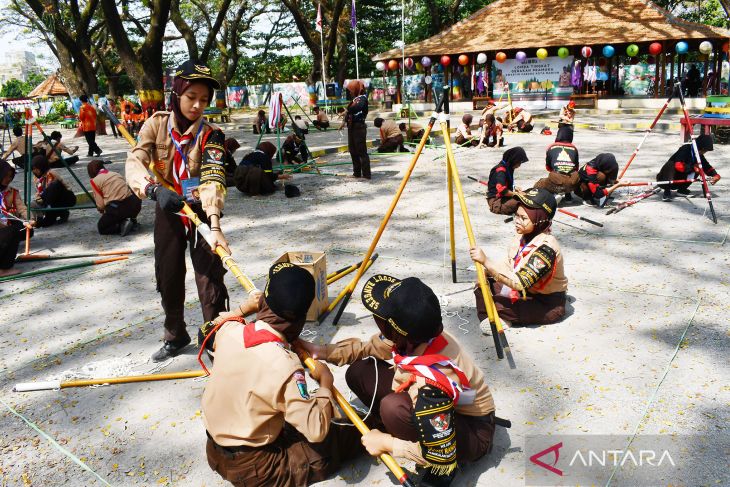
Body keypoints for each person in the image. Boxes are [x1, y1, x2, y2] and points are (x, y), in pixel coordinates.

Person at [298, 274, 499, 486]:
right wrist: (323, 351)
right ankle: (399, 427)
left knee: (392, 408)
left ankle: (442, 471)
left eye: (380, 318)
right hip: (444, 405)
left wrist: (388, 444)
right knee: (359, 372)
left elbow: (442, 452)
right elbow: (369, 347)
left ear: (395, 330)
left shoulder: (430, 387)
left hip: (473, 430)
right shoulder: (418, 334)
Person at [202, 263, 366, 487]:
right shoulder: (285, 365)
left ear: (263, 303)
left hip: (214, 451)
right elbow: (316, 430)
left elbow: (210, 328)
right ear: (299, 321)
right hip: (257, 469)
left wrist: (243, 309)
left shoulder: (228, 331)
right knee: (343, 434)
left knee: (287, 408)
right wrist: (325, 382)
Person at [125, 60, 231, 362]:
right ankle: (175, 333)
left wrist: (214, 226)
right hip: (167, 207)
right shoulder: (155, 124)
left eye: (204, 100)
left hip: (201, 210)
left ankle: (217, 338)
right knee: (168, 274)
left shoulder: (213, 135)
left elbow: (212, 178)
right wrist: (153, 190)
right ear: (178, 93)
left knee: (210, 278)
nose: (197, 105)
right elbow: (136, 160)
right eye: (191, 97)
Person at [470, 188, 567, 329]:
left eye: (523, 218)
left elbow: (520, 283)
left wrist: (486, 261)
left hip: (546, 303)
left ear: (539, 219)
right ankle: (498, 316)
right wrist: (487, 271)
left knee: (496, 304)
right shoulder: (522, 237)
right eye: (517, 216)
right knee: (483, 286)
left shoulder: (546, 249)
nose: (517, 221)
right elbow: (510, 263)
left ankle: (501, 318)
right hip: (525, 292)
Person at [657, 134, 720, 201]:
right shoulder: (685, 149)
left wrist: (716, 175)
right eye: (704, 150)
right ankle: (667, 192)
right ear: (700, 147)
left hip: (679, 181)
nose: (704, 152)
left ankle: (682, 190)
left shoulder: (699, 155)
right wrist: (693, 168)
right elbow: (678, 165)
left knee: (698, 167)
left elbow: (706, 166)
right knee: (671, 164)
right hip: (665, 180)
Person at [88, 160, 141, 236]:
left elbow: (101, 205)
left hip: (117, 208)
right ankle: (132, 220)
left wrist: (101, 209)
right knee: (120, 209)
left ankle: (121, 226)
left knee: (102, 227)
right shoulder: (116, 174)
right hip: (134, 203)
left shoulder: (94, 181)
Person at [0, 159, 33, 278]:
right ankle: (3, 268)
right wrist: (6, 229)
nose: (8, 179)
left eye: (10, 176)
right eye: (5, 176)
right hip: (2, 226)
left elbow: (21, 207)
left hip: (6, 224)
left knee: (25, 229)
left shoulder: (12, 192)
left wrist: (29, 219)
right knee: (12, 232)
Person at [534, 126, 580, 199]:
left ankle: (553, 195)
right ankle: (568, 195)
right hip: (573, 182)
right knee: (571, 175)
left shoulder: (551, 147)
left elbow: (548, 167)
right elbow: (576, 167)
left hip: (557, 181)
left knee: (540, 183)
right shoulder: (574, 148)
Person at [31, 154, 77, 227]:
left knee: (54, 185)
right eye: (33, 169)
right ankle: (61, 213)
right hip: (50, 200)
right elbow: (39, 191)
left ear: (42, 167)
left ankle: (56, 213)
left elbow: (58, 187)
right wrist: (39, 197)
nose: (34, 171)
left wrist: (42, 197)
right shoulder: (36, 178)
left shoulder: (51, 173)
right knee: (33, 203)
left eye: (36, 169)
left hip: (65, 197)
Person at [485, 147, 528, 215]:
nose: (519, 165)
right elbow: (502, 190)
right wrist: (517, 194)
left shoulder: (508, 166)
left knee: (527, 195)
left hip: (504, 197)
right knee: (522, 201)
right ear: (513, 160)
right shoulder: (501, 170)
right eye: (519, 162)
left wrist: (514, 187)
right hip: (497, 201)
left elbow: (505, 182)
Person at [342, 80, 370, 179]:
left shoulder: (362, 99)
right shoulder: (354, 100)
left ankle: (366, 174)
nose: (350, 92)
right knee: (352, 150)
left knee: (361, 151)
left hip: (359, 127)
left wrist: (347, 110)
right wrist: (344, 122)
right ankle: (356, 173)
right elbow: (349, 113)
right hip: (352, 127)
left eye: (351, 90)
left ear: (356, 89)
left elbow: (357, 108)